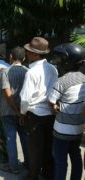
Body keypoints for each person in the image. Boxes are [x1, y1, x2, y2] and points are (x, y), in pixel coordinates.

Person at [20, 37, 58, 180]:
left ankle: (33, 176)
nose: (27, 54)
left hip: (35, 114)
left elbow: (25, 98)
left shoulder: (31, 73)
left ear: (35, 55)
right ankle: (48, 175)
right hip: (49, 113)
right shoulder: (53, 68)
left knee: (35, 148)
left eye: (29, 52)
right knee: (48, 147)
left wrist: (22, 113)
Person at [48, 43, 85, 180]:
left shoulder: (62, 81)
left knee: (60, 161)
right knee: (75, 156)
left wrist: (55, 108)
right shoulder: (84, 79)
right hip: (78, 128)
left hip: (62, 130)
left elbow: (51, 102)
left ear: (67, 61)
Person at [0, 47, 29, 174]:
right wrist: (21, 112)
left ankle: (13, 167)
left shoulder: (5, 71)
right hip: (24, 111)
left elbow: (8, 93)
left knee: (11, 138)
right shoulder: (28, 71)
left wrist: (16, 111)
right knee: (25, 138)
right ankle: (28, 164)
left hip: (8, 111)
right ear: (24, 58)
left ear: (11, 56)